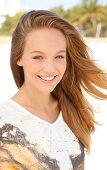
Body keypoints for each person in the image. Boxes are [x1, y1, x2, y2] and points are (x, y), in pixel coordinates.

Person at [0, 10, 107, 170]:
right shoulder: (4, 121)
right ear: (19, 58)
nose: (50, 69)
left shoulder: (73, 109)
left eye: (59, 56)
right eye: (38, 57)